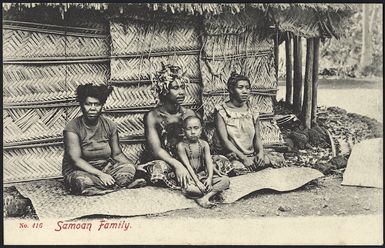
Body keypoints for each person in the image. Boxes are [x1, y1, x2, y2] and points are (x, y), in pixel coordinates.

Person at [63, 83, 145, 196]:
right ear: (81, 105)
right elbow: (76, 160)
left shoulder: (110, 125)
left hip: (105, 168)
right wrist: (100, 175)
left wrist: (134, 167)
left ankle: (104, 187)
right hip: (80, 171)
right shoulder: (72, 127)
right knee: (82, 181)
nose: (92, 108)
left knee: (128, 169)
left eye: (96, 104)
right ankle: (119, 186)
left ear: (102, 105)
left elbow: (117, 154)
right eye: (88, 104)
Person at [140, 64, 196, 189]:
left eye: (182, 87)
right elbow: (156, 149)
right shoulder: (153, 116)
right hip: (166, 160)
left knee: (218, 161)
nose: (181, 92)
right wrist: (177, 165)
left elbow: (199, 142)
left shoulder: (189, 114)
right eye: (175, 88)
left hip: (187, 157)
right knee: (157, 170)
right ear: (164, 90)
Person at [213, 72, 269, 174]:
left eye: (247, 88)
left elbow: (257, 137)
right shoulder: (221, 110)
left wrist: (260, 153)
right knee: (233, 167)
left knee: (272, 160)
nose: (245, 91)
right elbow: (225, 141)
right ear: (231, 90)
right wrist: (243, 158)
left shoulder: (253, 110)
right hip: (232, 155)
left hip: (251, 154)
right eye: (240, 87)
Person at [177, 116, 230, 208]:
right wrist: (197, 183)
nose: (193, 132)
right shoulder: (181, 146)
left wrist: (209, 179)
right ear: (183, 131)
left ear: (201, 129)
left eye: (196, 128)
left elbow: (209, 162)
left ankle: (205, 197)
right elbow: (187, 165)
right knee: (189, 189)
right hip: (190, 178)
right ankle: (208, 193)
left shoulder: (204, 144)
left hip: (203, 175)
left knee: (225, 180)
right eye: (189, 129)